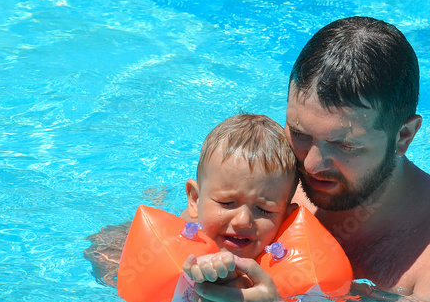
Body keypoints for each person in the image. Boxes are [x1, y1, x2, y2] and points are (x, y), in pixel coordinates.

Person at [185, 16, 430, 302]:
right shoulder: (274, 174)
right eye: (300, 134)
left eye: (345, 146)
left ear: (404, 136)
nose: (310, 165)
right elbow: (180, 232)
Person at [85, 113, 298, 291]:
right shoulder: (179, 234)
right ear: (195, 200)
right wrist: (119, 284)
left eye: (264, 209)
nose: (243, 220)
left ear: (286, 218)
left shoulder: (286, 268)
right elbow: (100, 244)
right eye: (227, 203)